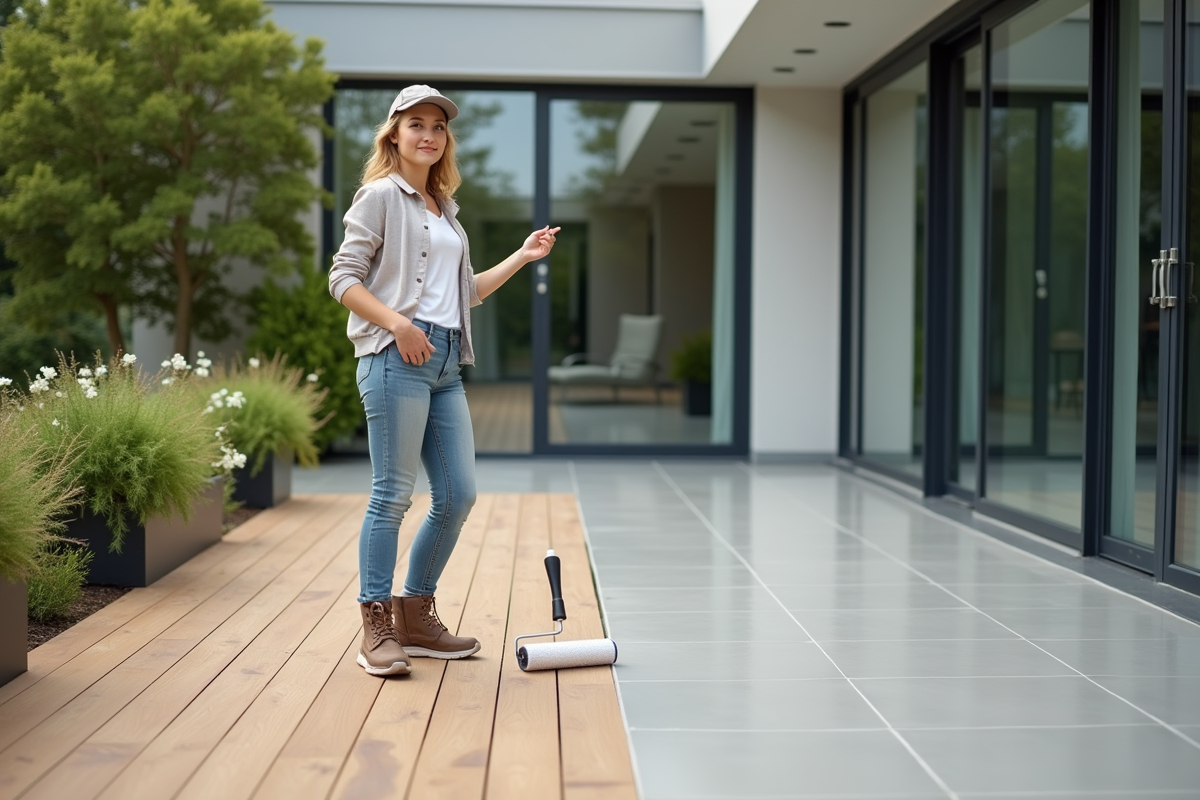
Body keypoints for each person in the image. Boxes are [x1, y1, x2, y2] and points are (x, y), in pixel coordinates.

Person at [329, 85, 559, 676]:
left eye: (438, 126)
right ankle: (375, 626)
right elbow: (343, 279)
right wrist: (398, 324)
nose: (428, 134)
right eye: (416, 125)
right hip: (394, 358)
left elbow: (464, 295)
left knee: (459, 495)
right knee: (392, 496)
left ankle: (415, 614)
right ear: (394, 135)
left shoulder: (445, 211)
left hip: (446, 363)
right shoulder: (379, 196)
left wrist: (521, 257)